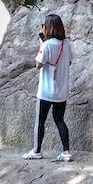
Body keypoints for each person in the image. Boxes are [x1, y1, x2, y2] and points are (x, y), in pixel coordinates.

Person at [23, 13, 73, 161]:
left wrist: (41, 45)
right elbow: (69, 62)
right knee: (59, 120)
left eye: (44, 25)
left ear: (48, 28)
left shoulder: (46, 45)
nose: (43, 28)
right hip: (61, 91)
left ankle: (36, 151)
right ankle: (66, 152)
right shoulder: (67, 44)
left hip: (45, 92)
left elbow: (38, 65)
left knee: (40, 122)